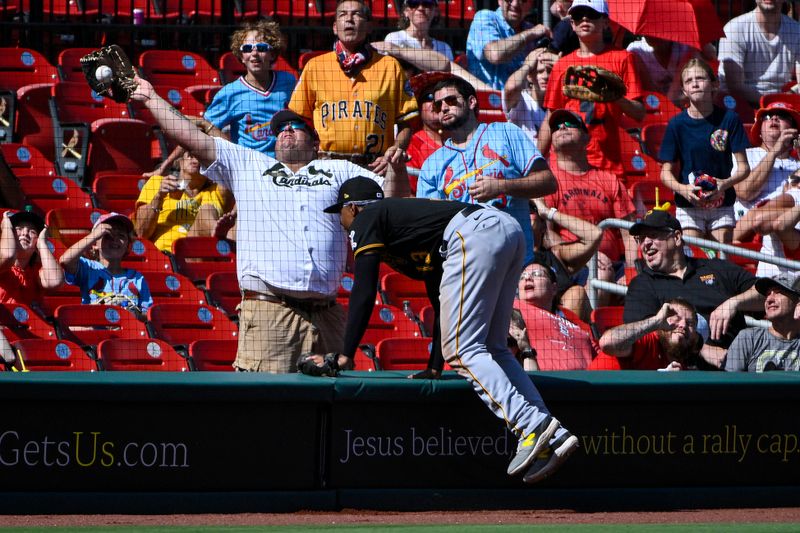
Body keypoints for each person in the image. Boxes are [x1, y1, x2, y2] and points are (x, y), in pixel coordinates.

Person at [130, 75, 406, 372]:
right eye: (280, 129)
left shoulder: (337, 169)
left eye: (296, 126)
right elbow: (189, 136)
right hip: (270, 312)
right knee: (266, 405)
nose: (286, 129)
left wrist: (397, 167)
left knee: (333, 406)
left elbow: (393, 203)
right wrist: (149, 97)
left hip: (328, 314)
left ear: (315, 143)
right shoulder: (251, 164)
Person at [320, 177, 579, 485]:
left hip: (474, 233)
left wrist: (347, 354)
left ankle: (531, 426)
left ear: (353, 208)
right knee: (494, 348)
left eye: (341, 212)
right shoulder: (405, 224)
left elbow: (363, 289)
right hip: (505, 230)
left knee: (464, 350)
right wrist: (433, 366)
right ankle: (554, 435)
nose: (341, 220)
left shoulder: (369, 217)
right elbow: (440, 292)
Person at [416, 76, 557, 265]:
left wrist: (502, 186)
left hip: (514, 264)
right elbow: (427, 222)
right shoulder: (432, 164)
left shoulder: (506, 132)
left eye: (450, 100)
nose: (444, 108)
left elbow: (548, 181)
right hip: (464, 267)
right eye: (437, 105)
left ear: (471, 102)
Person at [288, 0, 419, 174]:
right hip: (326, 167)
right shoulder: (315, 66)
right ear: (335, 27)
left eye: (357, 14)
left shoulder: (390, 66)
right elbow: (298, 118)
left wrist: (395, 150)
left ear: (369, 26)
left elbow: (407, 121)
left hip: (375, 167)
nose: (349, 19)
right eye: (343, 15)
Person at [623, 209, 764, 350]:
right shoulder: (641, 285)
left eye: (653, 235)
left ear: (677, 237)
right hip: (680, 367)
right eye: (641, 239)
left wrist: (734, 303)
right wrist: (702, 350)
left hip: (737, 360)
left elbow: (766, 295)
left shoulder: (716, 267)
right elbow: (640, 336)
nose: (646, 243)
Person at [539, 0, 645, 177]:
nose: (585, 19)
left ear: (605, 22)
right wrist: (537, 160)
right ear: (572, 23)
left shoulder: (623, 58)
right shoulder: (562, 65)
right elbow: (551, 116)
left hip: (608, 165)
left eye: (592, 14)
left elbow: (639, 113)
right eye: (579, 15)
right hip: (567, 165)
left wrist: (615, 96)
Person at [659, 58, 750, 244]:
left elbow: (744, 168)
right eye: (689, 81)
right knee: (694, 256)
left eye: (700, 78)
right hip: (689, 205)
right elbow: (665, 173)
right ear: (684, 90)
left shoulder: (729, 119)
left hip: (721, 204)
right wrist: (684, 190)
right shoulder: (676, 124)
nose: (695, 83)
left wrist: (723, 184)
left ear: (714, 84)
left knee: (721, 257)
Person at [543, 109, 638, 271]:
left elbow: (629, 235)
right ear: (551, 142)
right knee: (601, 275)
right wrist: (585, 255)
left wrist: (632, 275)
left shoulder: (609, 180)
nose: (562, 128)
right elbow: (547, 235)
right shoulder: (547, 181)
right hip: (571, 267)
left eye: (570, 124)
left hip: (614, 265)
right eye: (556, 127)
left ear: (587, 138)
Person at [202, 19, 297, 157]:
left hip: (284, 165)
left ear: (272, 54)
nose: (254, 53)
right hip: (249, 169)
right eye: (247, 49)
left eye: (262, 48)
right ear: (241, 56)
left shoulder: (288, 82)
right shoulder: (230, 93)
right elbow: (204, 128)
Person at [134, 150, 235, 252]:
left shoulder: (217, 192)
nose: (194, 157)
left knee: (207, 209)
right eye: (190, 153)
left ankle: (219, 233)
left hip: (202, 254)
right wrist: (159, 197)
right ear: (180, 161)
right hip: (165, 256)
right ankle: (223, 237)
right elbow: (141, 233)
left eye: (201, 155)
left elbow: (229, 155)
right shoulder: (157, 183)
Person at [58, 213, 153, 320]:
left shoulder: (137, 278)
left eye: (121, 236)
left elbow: (148, 313)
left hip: (127, 331)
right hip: (95, 331)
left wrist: (136, 314)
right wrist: (93, 235)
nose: (115, 239)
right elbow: (65, 260)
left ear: (128, 246)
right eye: (107, 235)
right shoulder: (89, 268)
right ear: (94, 244)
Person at [592, 298, 722, 370]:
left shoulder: (680, 370)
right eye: (675, 317)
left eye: (690, 323)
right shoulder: (647, 339)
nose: (682, 325)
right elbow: (606, 342)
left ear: (695, 344)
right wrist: (656, 321)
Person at [529, 197, 602, 322]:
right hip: (524, 320)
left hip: (558, 324)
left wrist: (548, 212)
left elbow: (594, 235)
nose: (525, 213)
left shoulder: (557, 254)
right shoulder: (508, 256)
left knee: (577, 293)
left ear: (542, 226)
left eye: (531, 209)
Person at [514, 260, 596, 370]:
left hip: (588, 383)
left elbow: (598, 351)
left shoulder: (571, 319)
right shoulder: (512, 308)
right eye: (522, 277)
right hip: (543, 382)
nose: (527, 278)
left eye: (537, 274)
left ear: (553, 288)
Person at [717, 0, 800, 108]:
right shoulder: (734, 28)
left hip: (780, 105)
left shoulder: (796, 31)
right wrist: (776, 99)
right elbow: (735, 87)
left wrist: (791, 93)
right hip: (737, 105)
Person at [733, 101, 800, 220]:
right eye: (767, 117)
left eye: (783, 116)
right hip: (748, 229)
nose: (774, 118)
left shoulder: (798, 165)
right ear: (759, 132)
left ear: (794, 131)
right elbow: (744, 193)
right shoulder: (744, 155)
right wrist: (774, 152)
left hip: (786, 230)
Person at [465, 0, 551, 90]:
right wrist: (529, 34)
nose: (515, 4)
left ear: (530, 4)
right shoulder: (484, 18)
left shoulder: (532, 30)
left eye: (522, 0)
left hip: (523, 100)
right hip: (488, 100)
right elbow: (495, 54)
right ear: (499, 1)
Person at [725, 273, 800, 372]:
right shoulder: (748, 338)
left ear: (797, 302)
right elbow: (730, 384)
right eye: (767, 294)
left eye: (778, 292)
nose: (769, 299)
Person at [734, 171, 800, 277]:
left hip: (792, 286)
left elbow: (779, 226)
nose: (798, 184)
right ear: (786, 184)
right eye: (794, 179)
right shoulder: (792, 197)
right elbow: (759, 224)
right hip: (766, 284)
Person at [0, 208, 63, 308]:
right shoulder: (2, 262)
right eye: (19, 228)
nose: (25, 233)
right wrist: (6, 226)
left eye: (32, 231)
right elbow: (8, 255)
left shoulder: (37, 271)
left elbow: (55, 281)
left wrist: (42, 244)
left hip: (28, 323)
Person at [406, 71, 454, 192]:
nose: (435, 103)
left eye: (445, 98)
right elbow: (409, 194)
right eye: (429, 97)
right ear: (418, 106)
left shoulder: (467, 139)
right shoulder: (411, 145)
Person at [503, 47, 558, 144]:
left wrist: (562, 64)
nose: (545, 76)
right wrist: (527, 65)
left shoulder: (558, 106)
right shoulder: (522, 100)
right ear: (529, 76)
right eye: (540, 72)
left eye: (550, 71)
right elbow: (511, 87)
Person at [384, 0, 453, 61]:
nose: (420, 8)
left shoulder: (444, 48)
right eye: (413, 3)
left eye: (427, 3)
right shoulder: (394, 38)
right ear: (406, 12)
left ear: (436, 12)